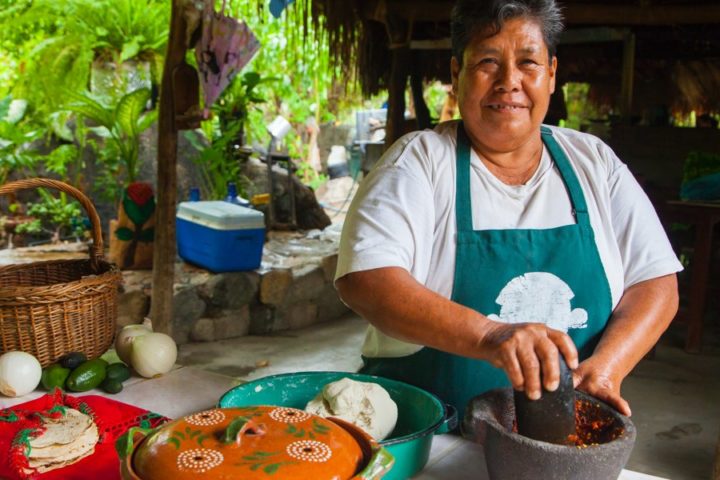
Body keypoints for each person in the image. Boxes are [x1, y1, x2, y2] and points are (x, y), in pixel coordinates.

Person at [335, 0, 682, 418]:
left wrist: (606, 370)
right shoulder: (420, 162)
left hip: (559, 441)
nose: (509, 82)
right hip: (432, 439)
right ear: (455, 74)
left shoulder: (594, 162)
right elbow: (365, 280)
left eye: (528, 62)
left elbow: (656, 282)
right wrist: (490, 335)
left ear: (551, 74)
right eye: (487, 61)